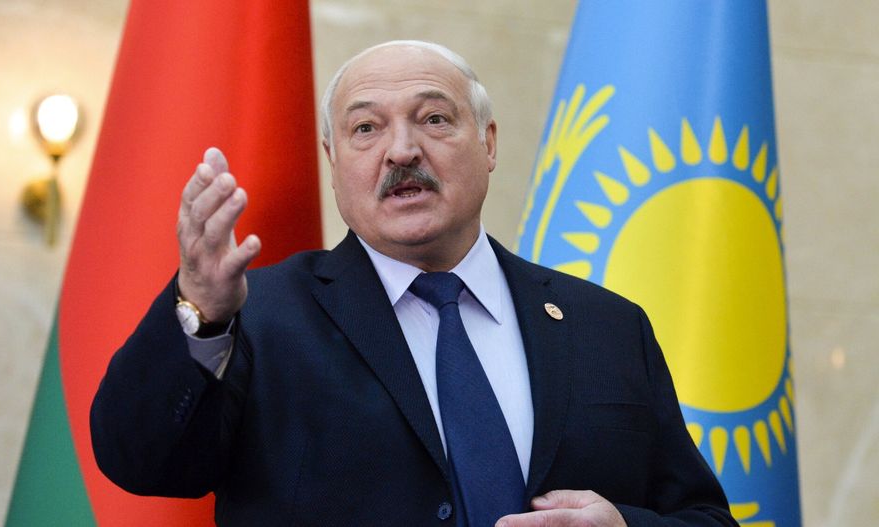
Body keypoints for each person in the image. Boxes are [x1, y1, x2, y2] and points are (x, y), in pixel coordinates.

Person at [91, 40, 737, 527]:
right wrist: (200, 314)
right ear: (334, 162)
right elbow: (140, 462)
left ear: (487, 143)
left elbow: (706, 518)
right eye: (366, 128)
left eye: (433, 119)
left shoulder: (608, 325)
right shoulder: (259, 318)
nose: (401, 150)